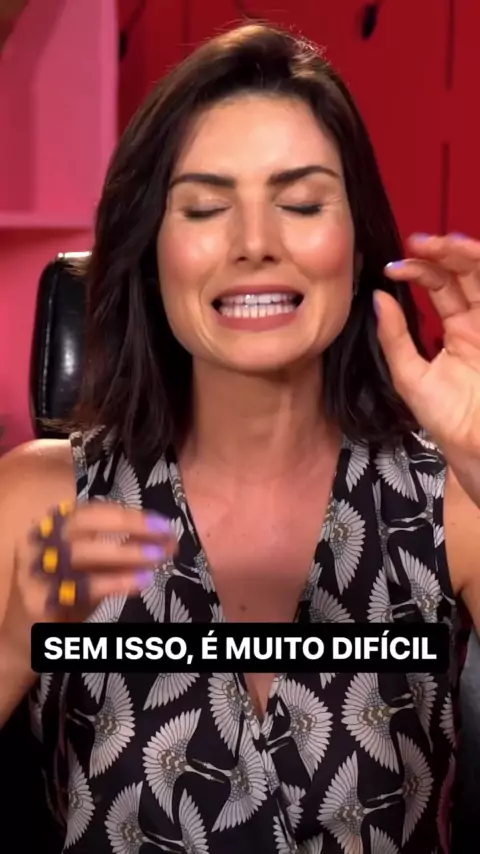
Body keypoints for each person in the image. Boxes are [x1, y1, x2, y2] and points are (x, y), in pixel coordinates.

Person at [1, 21, 480, 854]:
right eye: (205, 208)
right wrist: (15, 639)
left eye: (301, 204)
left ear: (357, 242)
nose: (255, 244)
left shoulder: (452, 502)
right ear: (153, 250)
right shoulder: (38, 499)